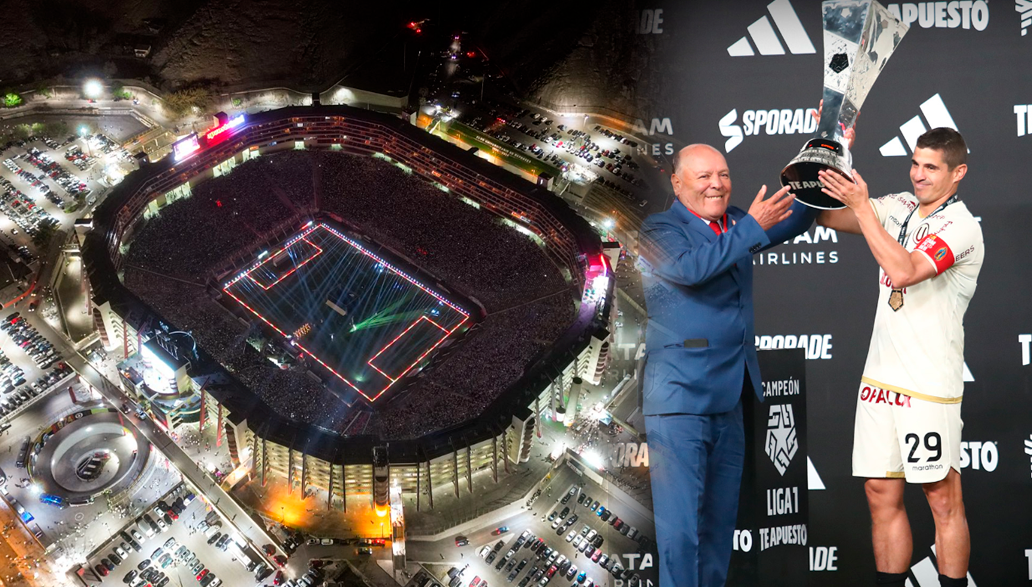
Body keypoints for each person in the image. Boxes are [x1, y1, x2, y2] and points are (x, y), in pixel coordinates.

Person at [637, 143, 817, 587]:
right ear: (677, 183)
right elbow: (693, 269)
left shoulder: (737, 222)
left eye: (723, 174)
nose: (716, 184)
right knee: (681, 537)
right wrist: (751, 226)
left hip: (730, 399)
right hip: (679, 402)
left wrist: (825, 157)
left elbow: (798, 218)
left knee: (718, 533)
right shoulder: (659, 230)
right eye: (703, 177)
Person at [816, 127, 981, 587]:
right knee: (879, 493)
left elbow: (904, 271)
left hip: (927, 384)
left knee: (942, 500)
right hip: (880, 380)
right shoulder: (900, 207)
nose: (918, 174)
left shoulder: (961, 226)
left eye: (931, 167)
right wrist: (833, 144)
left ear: (958, 172)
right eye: (914, 163)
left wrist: (866, 209)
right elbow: (826, 216)